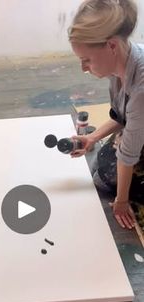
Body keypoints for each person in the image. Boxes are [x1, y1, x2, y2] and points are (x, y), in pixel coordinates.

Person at [68, 0, 144, 229]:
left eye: (87, 60)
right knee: (103, 168)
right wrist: (92, 138)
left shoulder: (141, 89)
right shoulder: (119, 65)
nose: (84, 68)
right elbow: (121, 117)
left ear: (111, 45)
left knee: (108, 177)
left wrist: (121, 202)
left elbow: (128, 155)